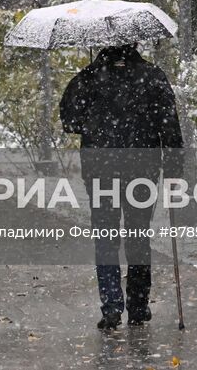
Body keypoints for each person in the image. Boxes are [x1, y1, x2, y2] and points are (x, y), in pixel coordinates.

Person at [59, 44, 183, 331]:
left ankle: (112, 306)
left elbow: (70, 122)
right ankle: (138, 306)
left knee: (106, 238)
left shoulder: (87, 78)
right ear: (135, 44)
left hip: (101, 169)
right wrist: (175, 170)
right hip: (143, 168)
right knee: (138, 235)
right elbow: (169, 125)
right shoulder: (152, 76)